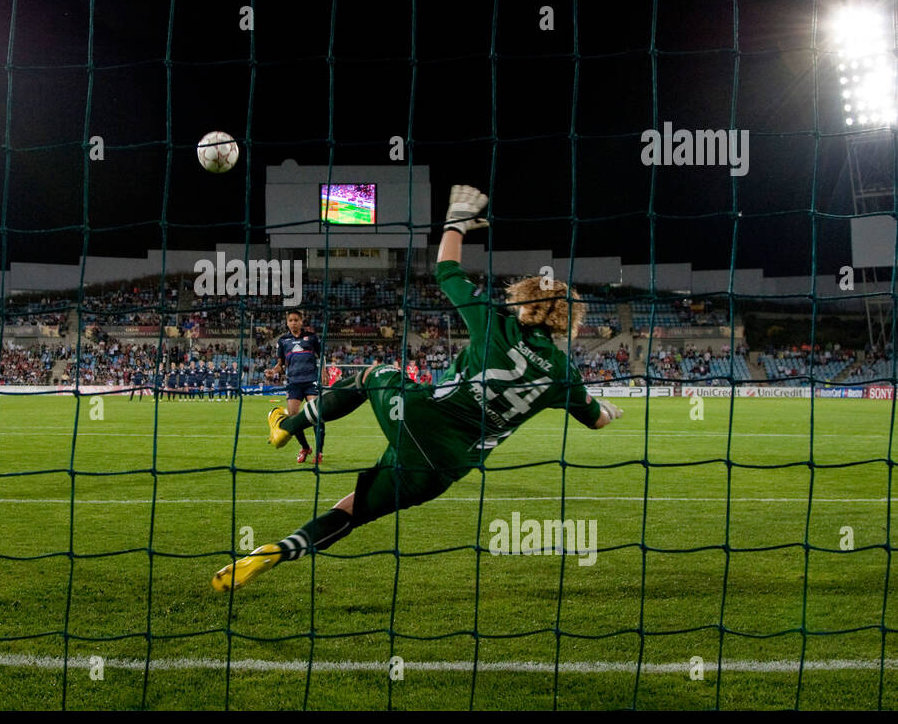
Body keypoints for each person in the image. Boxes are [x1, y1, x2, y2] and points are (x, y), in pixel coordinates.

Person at [213, 184, 625, 592]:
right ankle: (278, 551)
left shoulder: (496, 321)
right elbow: (598, 420)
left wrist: (456, 224)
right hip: (443, 469)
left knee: (372, 374)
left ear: (524, 301)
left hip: (421, 417)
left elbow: (447, 270)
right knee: (353, 512)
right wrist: (607, 408)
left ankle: (287, 425)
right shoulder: (562, 373)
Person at [266, 309, 324, 464]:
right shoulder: (283, 341)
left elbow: (322, 356)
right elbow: (280, 364)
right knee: (293, 417)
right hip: (294, 383)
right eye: (290, 320)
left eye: (296, 320)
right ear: (287, 322)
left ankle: (319, 452)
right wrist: (273, 371)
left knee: (317, 416)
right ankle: (305, 448)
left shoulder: (311, 338)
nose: (293, 323)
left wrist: (323, 374)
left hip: (311, 381)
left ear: (301, 321)